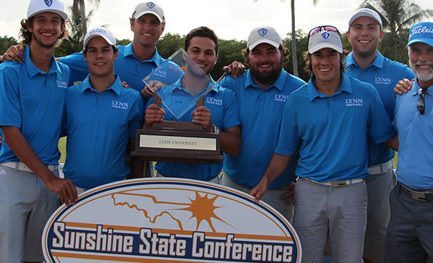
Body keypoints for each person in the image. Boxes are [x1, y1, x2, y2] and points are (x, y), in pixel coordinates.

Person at [251, 25, 395, 262]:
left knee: (349, 258)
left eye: (331, 54)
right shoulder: (296, 100)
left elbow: (386, 137)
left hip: (352, 190)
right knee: (307, 257)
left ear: (341, 57)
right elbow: (284, 150)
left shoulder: (365, 94)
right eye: (318, 55)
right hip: (309, 190)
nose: (324, 61)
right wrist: (266, 180)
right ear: (310, 59)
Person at [0, 0, 78, 262]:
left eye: (54, 21)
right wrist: (49, 178)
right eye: (41, 20)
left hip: (50, 179)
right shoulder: (8, 70)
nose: (48, 26)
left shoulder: (65, 71)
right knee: (8, 256)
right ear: (30, 27)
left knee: (40, 257)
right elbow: (11, 132)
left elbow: (105, 61)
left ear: (61, 28)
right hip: (13, 176)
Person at [344, 8, 415, 263]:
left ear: (380, 34)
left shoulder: (402, 74)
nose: (365, 33)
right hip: (339, 177)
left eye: (371, 27)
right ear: (348, 34)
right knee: (343, 247)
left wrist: (411, 90)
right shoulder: (333, 69)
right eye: (358, 27)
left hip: (379, 176)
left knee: (378, 245)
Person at [218, 26, 305, 221]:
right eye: (257, 52)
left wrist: (303, 182)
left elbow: (311, 140)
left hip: (279, 192)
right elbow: (205, 106)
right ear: (247, 56)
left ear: (282, 53)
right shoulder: (231, 83)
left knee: (276, 250)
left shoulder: (300, 90)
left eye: (271, 51)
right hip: (234, 186)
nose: (264, 59)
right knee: (228, 247)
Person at [1, 1, 166, 93]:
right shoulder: (105, 54)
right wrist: (18, 52)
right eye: (142, 21)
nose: (147, 28)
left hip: (144, 150)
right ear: (132, 24)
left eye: (154, 23)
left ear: (162, 27)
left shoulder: (170, 70)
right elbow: (49, 63)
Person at [145, 26, 241, 182]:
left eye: (208, 53)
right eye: (195, 51)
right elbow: (144, 139)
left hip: (209, 184)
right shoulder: (161, 93)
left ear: (216, 58)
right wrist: (148, 124)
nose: (201, 57)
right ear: (186, 55)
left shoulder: (226, 96)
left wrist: (211, 129)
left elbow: (235, 147)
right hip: (164, 182)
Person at [63, 27, 145, 193]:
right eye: (92, 51)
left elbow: (135, 152)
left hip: (115, 193)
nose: (99, 56)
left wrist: (136, 190)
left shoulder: (132, 98)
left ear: (115, 54)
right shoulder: (69, 96)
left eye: (105, 50)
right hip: (73, 192)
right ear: (85, 56)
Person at [386, 21, 433, 263]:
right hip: (402, 203)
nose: (422, 58)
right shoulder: (403, 93)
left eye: (431, 50)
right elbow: (401, 139)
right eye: (416, 50)